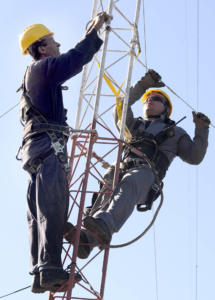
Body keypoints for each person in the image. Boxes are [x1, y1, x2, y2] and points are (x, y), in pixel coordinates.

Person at [65, 69, 210, 259]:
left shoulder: (176, 132)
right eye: (147, 100)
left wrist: (202, 129)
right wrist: (143, 85)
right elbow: (121, 107)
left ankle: (103, 227)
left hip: (146, 176)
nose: (149, 101)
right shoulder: (135, 126)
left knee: (131, 181)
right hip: (124, 168)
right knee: (109, 181)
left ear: (166, 109)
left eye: (156, 99)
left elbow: (195, 156)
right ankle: (87, 240)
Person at [18, 12, 110, 293]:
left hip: (36, 150)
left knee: (38, 212)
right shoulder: (42, 69)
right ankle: (51, 268)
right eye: (53, 43)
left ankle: (41, 271)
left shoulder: (33, 78)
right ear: (42, 48)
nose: (58, 47)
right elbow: (73, 60)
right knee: (54, 205)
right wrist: (93, 34)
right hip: (48, 147)